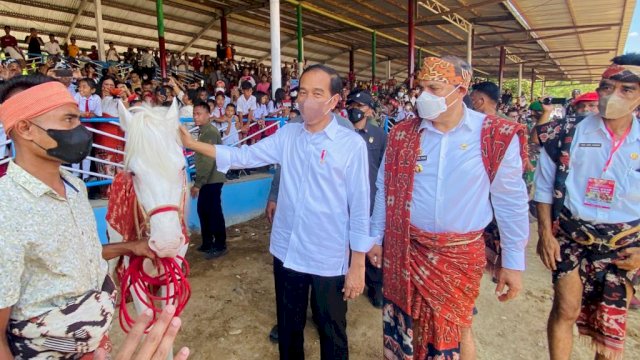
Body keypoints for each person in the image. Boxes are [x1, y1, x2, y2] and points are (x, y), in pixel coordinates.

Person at [180, 64, 372, 360]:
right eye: (303, 92)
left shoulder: (350, 145)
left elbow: (360, 207)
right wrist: (193, 144)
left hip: (328, 256)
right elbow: (243, 155)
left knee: (332, 331)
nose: (307, 99)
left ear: (334, 101)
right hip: (288, 250)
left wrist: (357, 264)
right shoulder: (288, 136)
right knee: (289, 327)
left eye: (317, 93)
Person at [370, 56, 529, 359]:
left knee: (458, 326)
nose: (423, 96)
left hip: (460, 253)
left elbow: (511, 201)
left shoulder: (493, 134)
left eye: (434, 87)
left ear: (461, 88)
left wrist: (513, 262)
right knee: (410, 321)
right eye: (420, 88)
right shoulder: (403, 134)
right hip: (409, 247)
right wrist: (376, 236)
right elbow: (384, 188)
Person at [0, 75, 155, 359]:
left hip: (95, 347)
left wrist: (132, 247)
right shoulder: (5, 207)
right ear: (25, 128)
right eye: (69, 120)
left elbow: (81, 257)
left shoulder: (74, 186)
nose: (81, 131)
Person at [534, 53, 640, 360]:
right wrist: (545, 233)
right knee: (565, 307)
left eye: (626, 90)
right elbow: (542, 186)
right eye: (607, 87)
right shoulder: (565, 133)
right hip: (572, 233)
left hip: (624, 243)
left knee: (609, 323)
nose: (612, 96)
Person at [346, 90, 386, 308]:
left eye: (360, 106)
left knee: (372, 241)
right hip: (344, 199)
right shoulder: (341, 132)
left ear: (369, 110)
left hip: (370, 198)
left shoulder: (379, 135)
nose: (355, 109)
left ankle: (375, 285)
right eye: (351, 104)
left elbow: (384, 168)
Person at [191, 101, 228, 259]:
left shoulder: (210, 132)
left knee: (213, 212)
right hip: (208, 178)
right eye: (194, 114)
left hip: (212, 179)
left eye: (199, 114)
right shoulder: (204, 131)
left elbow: (208, 160)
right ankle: (207, 242)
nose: (195, 117)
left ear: (208, 115)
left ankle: (219, 244)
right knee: (204, 210)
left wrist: (198, 183)